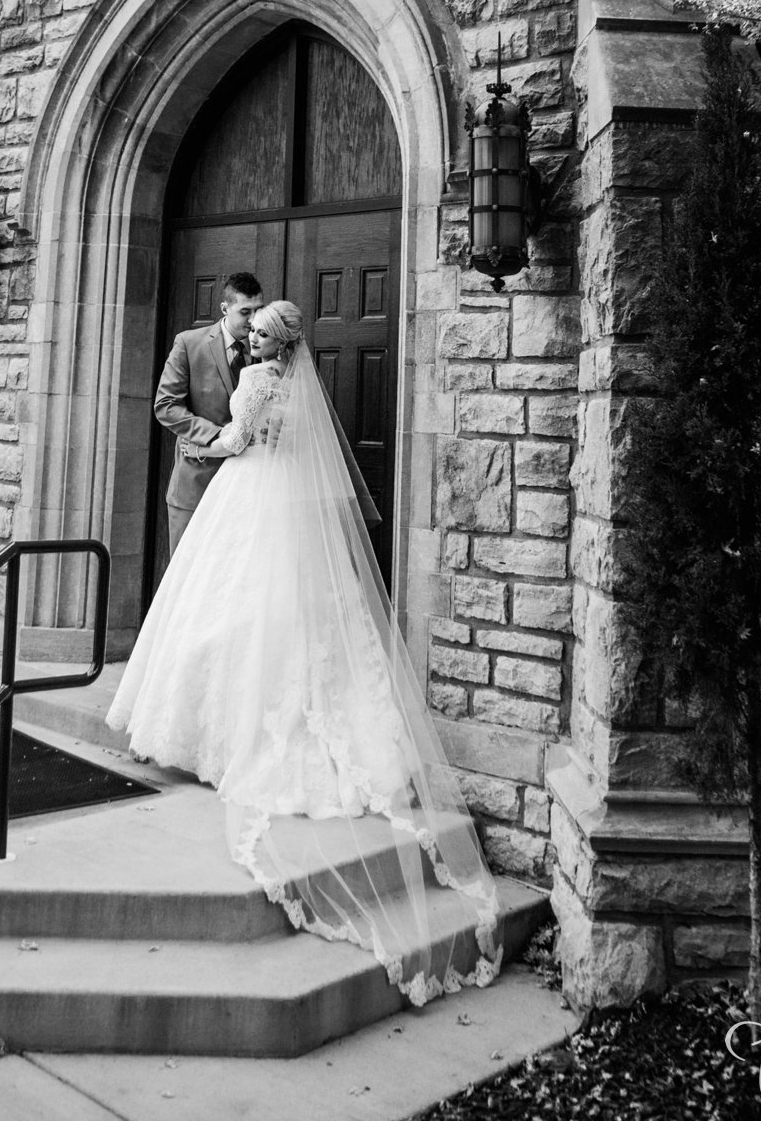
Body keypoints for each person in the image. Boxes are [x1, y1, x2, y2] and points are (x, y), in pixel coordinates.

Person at [109, 299, 501, 1005]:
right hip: (276, 497)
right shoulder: (292, 384)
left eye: (260, 333)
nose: (250, 339)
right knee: (278, 609)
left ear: (278, 343)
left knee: (230, 608)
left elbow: (240, 438)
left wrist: (218, 446)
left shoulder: (260, 382)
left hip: (245, 488)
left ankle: (224, 731)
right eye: (250, 329)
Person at [154, 271, 264, 556]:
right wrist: (217, 435)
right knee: (187, 578)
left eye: (258, 310)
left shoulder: (266, 348)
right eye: (245, 312)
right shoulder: (189, 343)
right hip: (195, 483)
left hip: (247, 489)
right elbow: (166, 406)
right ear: (225, 308)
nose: (253, 320)